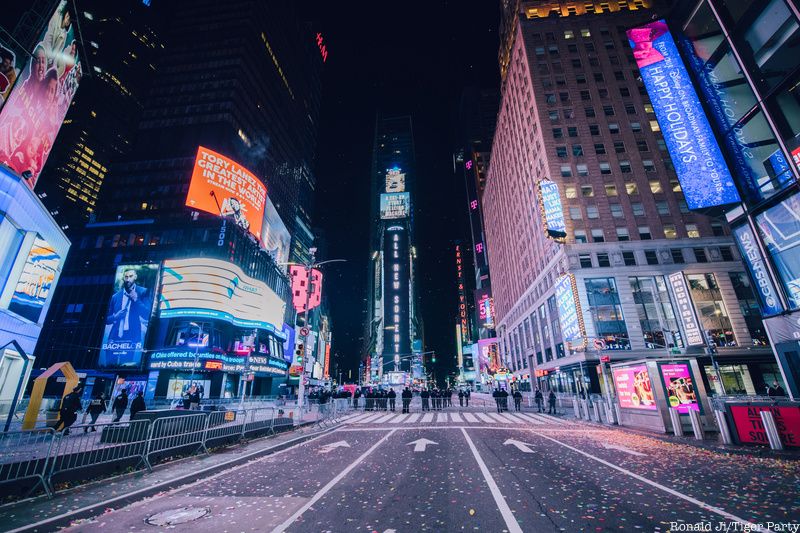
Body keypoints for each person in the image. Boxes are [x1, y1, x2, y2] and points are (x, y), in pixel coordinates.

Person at [103, 268, 152, 366]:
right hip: (115, 336)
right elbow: (106, 320)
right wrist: (115, 317)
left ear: (135, 277)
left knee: (126, 364)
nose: (128, 279)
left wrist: (135, 299)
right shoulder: (115, 297)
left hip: (131, 335)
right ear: (123, 278)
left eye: (130, 276)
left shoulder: (143, 292)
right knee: (108, 365)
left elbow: (147, 314)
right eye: (126, 277)